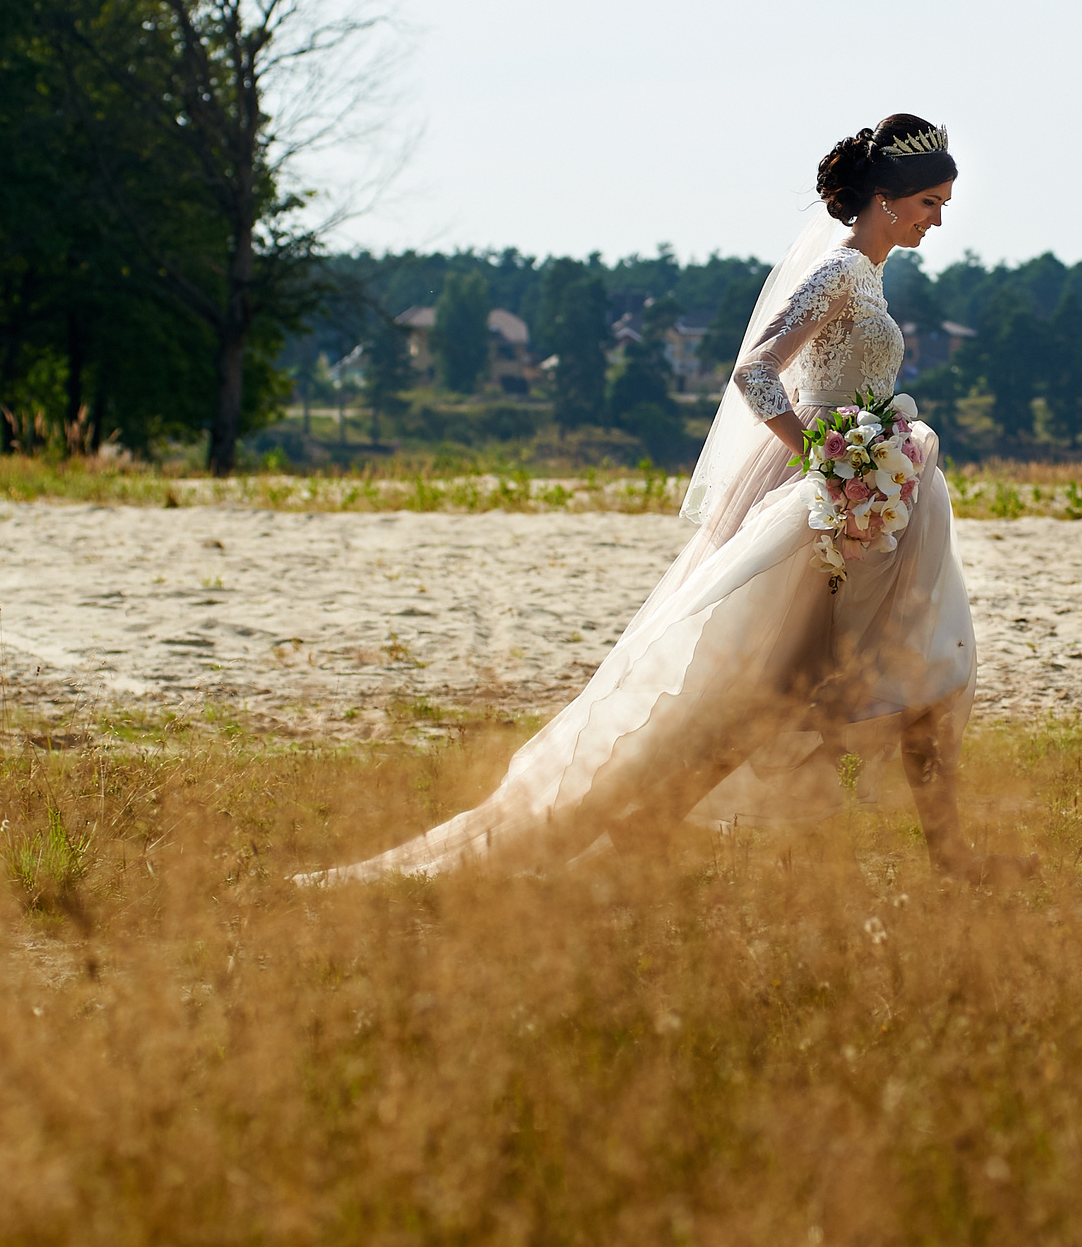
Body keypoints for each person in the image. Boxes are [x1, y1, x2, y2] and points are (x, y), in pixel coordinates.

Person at [298, 115, 1035, 885]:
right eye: (930, 202)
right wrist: (824, 453)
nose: (939, 218)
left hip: (876, 498)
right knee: (770, 686)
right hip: (829, 500)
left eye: (944, 203)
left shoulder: (868, 276)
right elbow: (756, 373)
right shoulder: (843, 271)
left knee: (920, 666)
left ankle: (950, 855)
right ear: (885, 200)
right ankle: (642, 820)